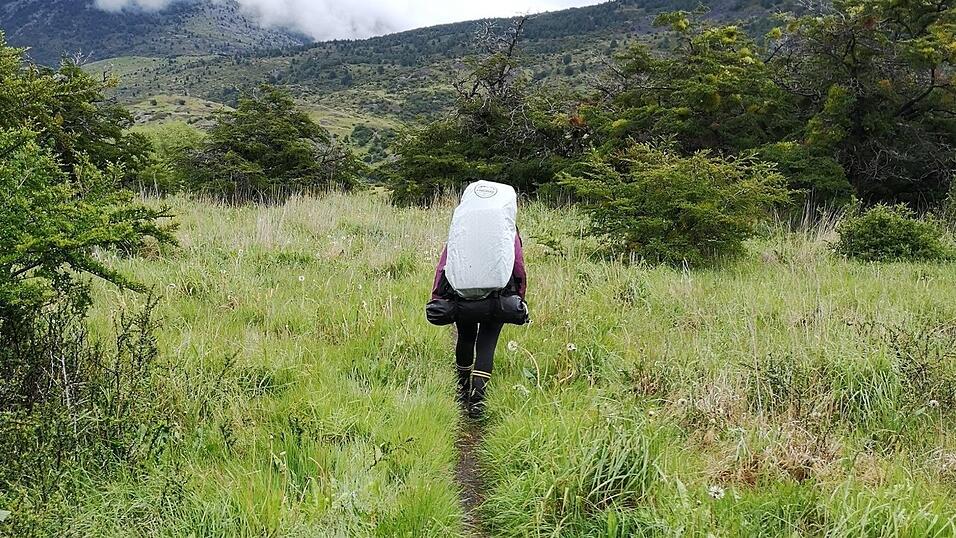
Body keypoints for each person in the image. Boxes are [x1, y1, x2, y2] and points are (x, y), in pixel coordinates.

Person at [430, 196, 526, 419]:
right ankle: (477, 401)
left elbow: (443, 265)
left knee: (465, 337)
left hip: (463, 297)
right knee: (487, 344)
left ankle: (462, 388)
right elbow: (519, 267)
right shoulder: (508, 230)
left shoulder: (461, 229)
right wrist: (520, 297)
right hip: (497, 298)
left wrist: (437, 294)